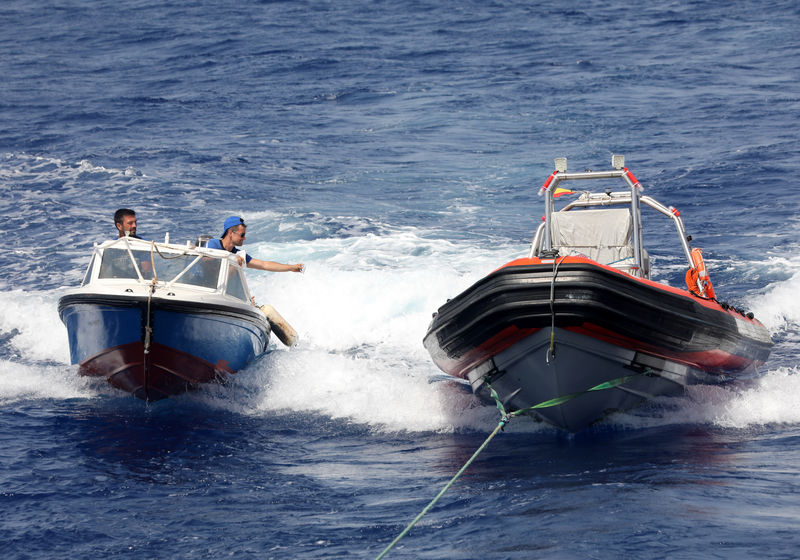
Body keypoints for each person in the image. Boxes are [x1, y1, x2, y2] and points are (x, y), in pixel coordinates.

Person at [206, 216, 304, 273]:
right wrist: (232, 258)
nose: (244, 238)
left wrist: (291, 267)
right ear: (231, 233)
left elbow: (264, 265)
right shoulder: (213, 243)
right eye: (242, 235)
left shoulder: (238, 254)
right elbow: (206, 259)